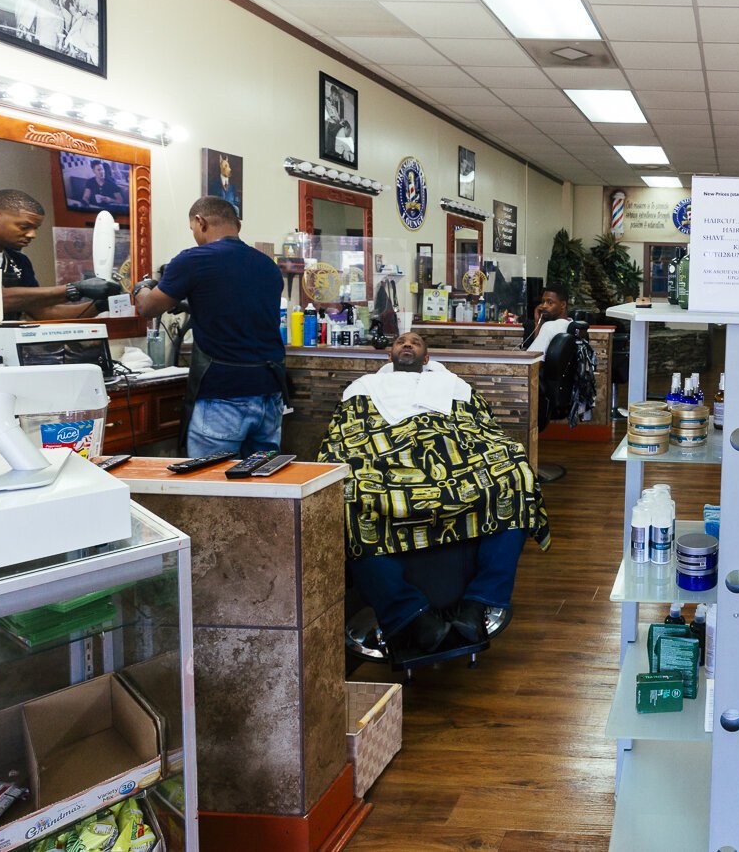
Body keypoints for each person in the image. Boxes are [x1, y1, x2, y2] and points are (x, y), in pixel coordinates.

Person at [318, 331, 549, 660]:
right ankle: (409, 613)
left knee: (516, 479)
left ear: (427, 358)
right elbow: (345, 437)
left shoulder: (453, 385)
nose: (407, 344)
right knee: (351, 495)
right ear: (390, 356)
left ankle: (479, 603)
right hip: (386, 465)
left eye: (415, 342)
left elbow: (481, 427)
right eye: (400, 342)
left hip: (456, 459)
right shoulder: (363, 388)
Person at [134, 197, 286, 458]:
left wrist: (142, 287)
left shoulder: (193, 260)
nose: (194, 234)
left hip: (223, 397)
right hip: (270, 395)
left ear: (200, 222)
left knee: (211, 488)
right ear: (236, 225)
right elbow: (236, 307)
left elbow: (148, 308)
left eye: (192, 228)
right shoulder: (268, 266)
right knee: (263, 490)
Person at [0, 188, 118, 321]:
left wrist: (100, 305)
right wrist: (74, 289)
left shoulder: (19, 261)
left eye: (35, 228)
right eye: (24, 227)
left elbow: (45, 312)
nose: (32, 235)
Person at [524, 284, 572, 353]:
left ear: (563, 305)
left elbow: (532, 356)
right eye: (543, 302)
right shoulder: (572, 325)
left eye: (550, 302)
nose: (544, 306)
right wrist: (538, 322)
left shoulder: (549, 326)